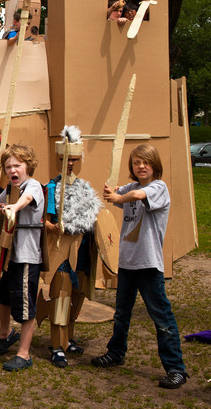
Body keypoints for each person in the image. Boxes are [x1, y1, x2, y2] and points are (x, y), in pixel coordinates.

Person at [91, 145, 188, 389]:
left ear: (155, 165)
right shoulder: (130, 187)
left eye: (146, 162)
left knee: (161, 316)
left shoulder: (158, 188)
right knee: (121, 313)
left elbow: (135, 196)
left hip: (149, 265)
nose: (141, 166)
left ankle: (176, 368)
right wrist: (110, 190)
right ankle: (116, 352)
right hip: (127, 263)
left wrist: (117, 197)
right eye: (136, 162)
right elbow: (117, 193)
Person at [40, 126, 101, 367]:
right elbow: (42, 219)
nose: (71, 164)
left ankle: (68, 339)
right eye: (66, 159)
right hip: (61, 252)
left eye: (75, 159)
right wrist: (50, 226)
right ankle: (57, 346)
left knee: (77, 296)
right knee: (61, 298)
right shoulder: (51, 188)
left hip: (83, 252)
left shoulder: (85, 188)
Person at [0, 144, 43, 372]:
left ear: (27, 166)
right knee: (1, 295)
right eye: (8, 166)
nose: (12, 170)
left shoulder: (32, 185)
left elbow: (27, 199)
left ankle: (24, 354)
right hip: (8, 253)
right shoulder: (10, 188)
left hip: (26, 256)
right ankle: (6, 334)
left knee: (25, 305)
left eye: (17, 165)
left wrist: (13, 207)